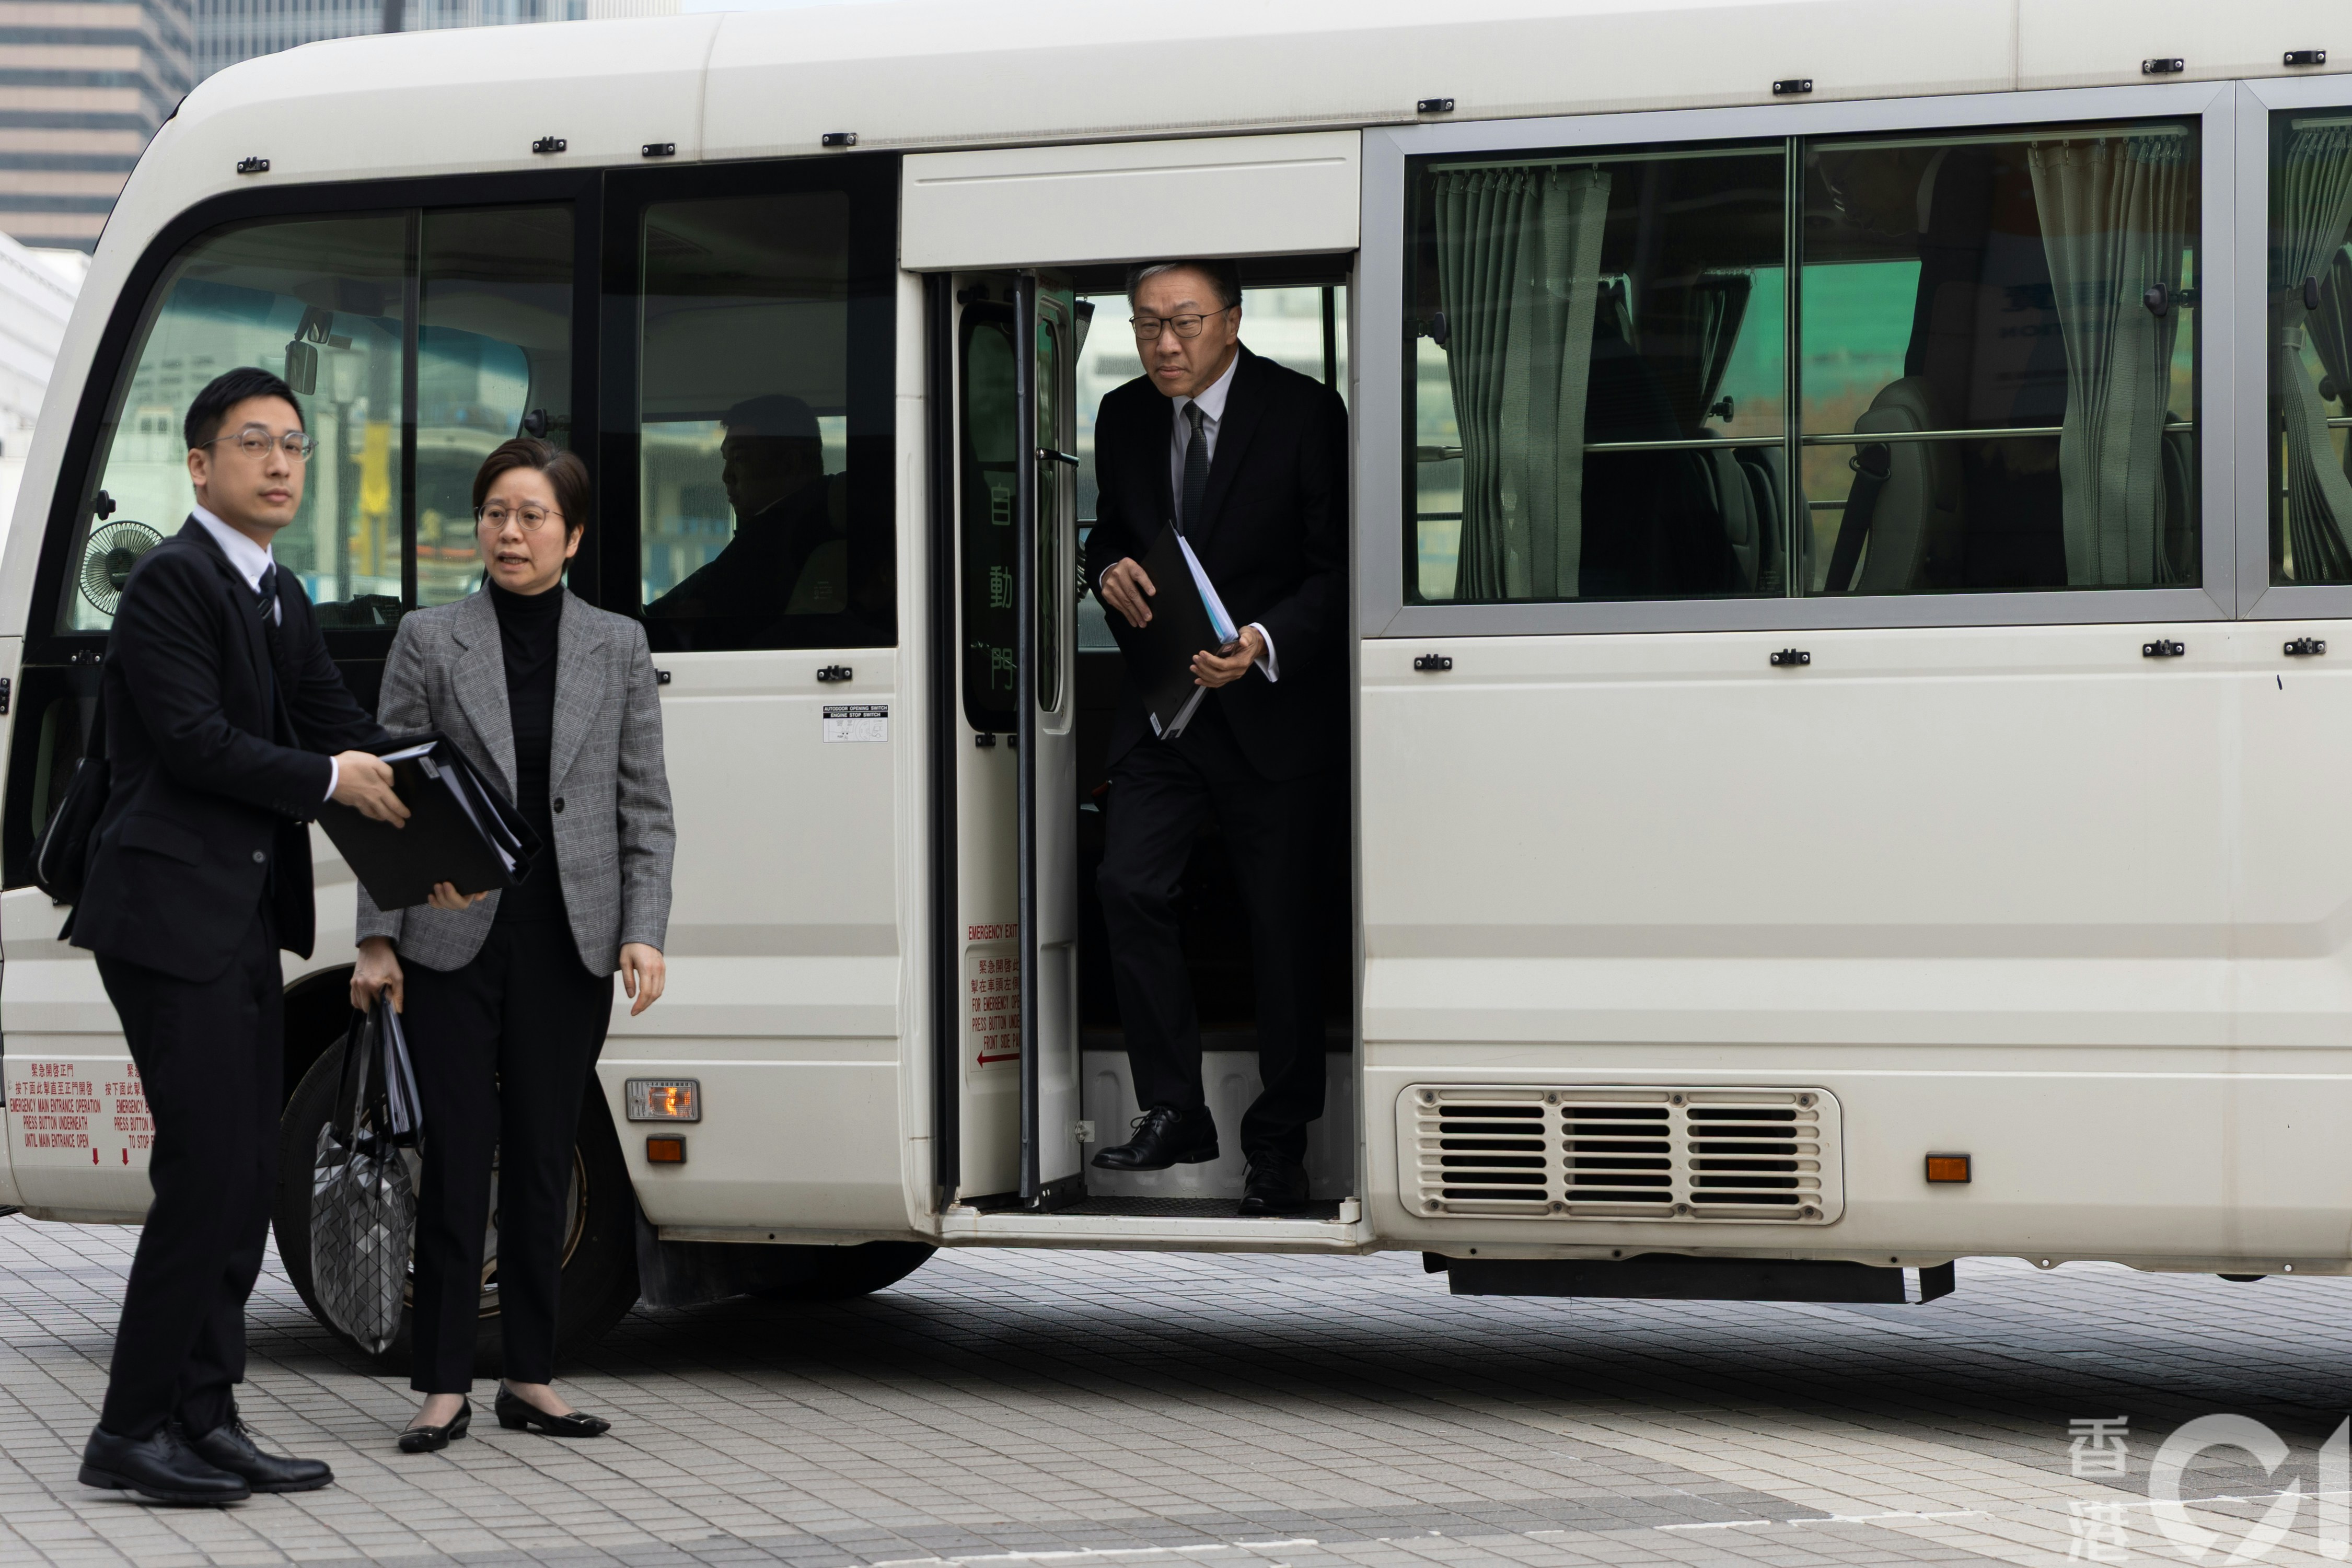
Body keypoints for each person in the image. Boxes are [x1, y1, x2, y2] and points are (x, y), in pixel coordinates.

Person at [70, 366, 410, 1504]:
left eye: (295, 446)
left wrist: (444, 839)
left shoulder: (280, 591)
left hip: (238, 920)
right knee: (206, 1173)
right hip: (167, 919)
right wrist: (332, 779)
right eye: (255, 442)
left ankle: (204, 1417)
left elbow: (342, 727)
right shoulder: (171, 581)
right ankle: (130, 1428)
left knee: (239, 1177)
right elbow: (197, 742)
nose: (280, 463)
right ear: (201, 464)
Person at [350, 436, 675, 1452]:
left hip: (568, 940)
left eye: (532, 516)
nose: (509, 532)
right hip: (451, 932)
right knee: (458, 1156)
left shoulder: (616, 644)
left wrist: (643, 932)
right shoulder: (429, 638)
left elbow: (644, 806)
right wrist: (377, 939)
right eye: (495, 512)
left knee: (543, 1157)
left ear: (572, 535)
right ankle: (443, 1382)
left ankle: (530, 1375)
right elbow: (386, 798)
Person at [1083, 260, 1348, 1217]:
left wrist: (1266, 640)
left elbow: (1338, 568)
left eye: (1184, 324)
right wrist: (1105, 564)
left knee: (1282, 932)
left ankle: (1278, 1149)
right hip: (1164, 712)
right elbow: (1109, 533)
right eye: (1147, 324)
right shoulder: (1120, 415)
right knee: (1126, 884)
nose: (1163, 344)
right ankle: (1174, 1106)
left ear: (1232, 322)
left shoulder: (1306, 413)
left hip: (1273, 713)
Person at [645, 394, 847, 640]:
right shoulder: (790, 525)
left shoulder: (775, 540)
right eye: (726, 460)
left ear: (790, 464)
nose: (726, 476)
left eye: (739, 459)